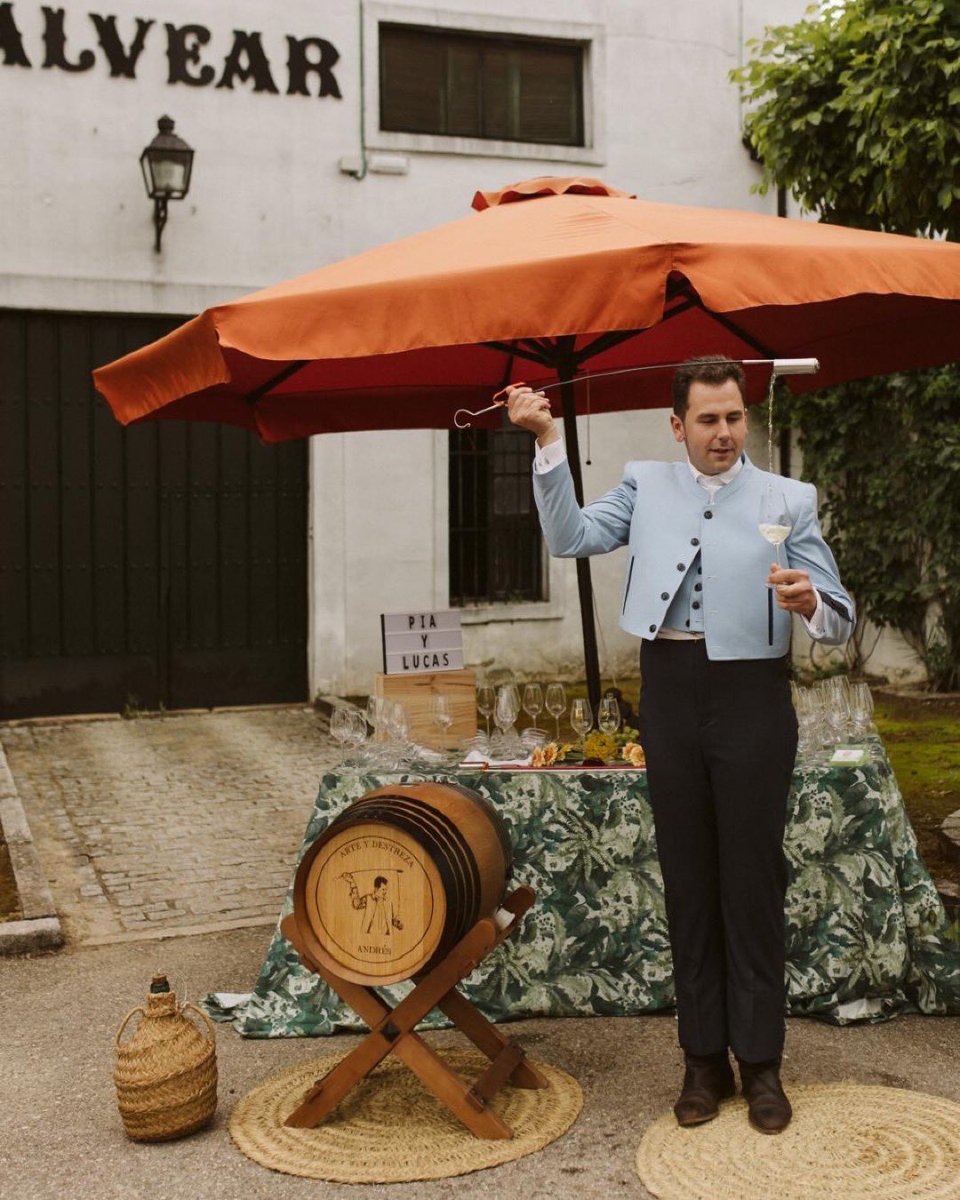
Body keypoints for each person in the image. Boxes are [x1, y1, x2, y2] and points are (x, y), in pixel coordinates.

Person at [506, 355, 854, 1135]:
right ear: (678, 425)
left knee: (754, 881)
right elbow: (569, 537)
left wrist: (812, 604)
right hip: (668, 689)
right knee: (689, 878)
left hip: (754, 699)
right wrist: (546, 441)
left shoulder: (787, 498)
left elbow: (840, 611)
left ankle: (761, 1065)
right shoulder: (644, 484)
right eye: (708, 419)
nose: (724, 432)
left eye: (733, 417)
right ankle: (702, 1061)